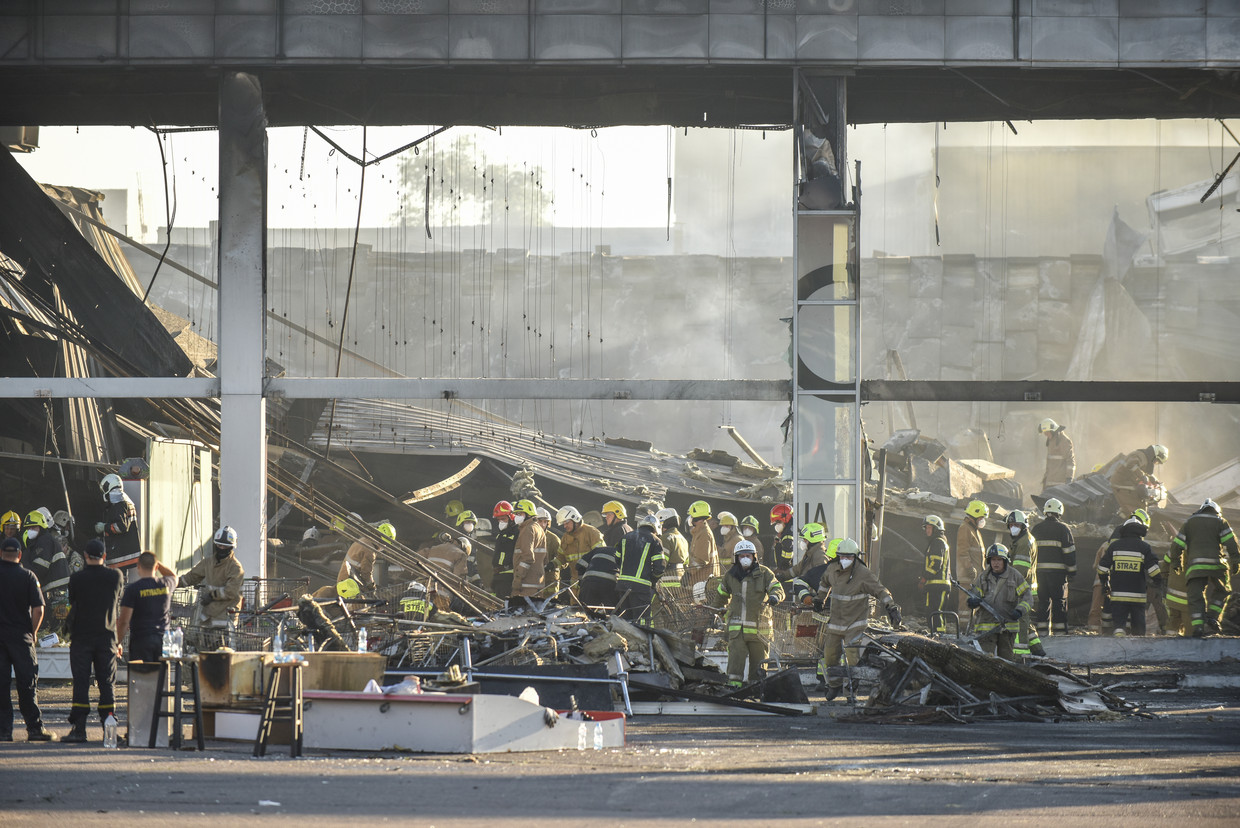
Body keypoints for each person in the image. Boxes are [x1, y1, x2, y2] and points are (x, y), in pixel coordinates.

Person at [814, 539, 899, 701]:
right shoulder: (832, 569)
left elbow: (881, 591)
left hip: (855, 624)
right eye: (842, 556)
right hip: (836, 623)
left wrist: (891, 607)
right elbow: (824, 583)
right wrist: (820, 599)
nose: (845, 560)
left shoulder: (863, 574)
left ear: (856, 557)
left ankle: (850, 693)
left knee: (853, 660)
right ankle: (834, 685)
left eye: (849, 557)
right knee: (830, 657)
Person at [62, 539, 124, 743]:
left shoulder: (77, 579)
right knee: (107, 682)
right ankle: (109, 729)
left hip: (81, 638)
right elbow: (116, 604)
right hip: (107, 638)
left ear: (86, 556)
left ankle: (79, 730)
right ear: (104, 556)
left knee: (81, 682)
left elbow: (74, 602)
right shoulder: (116, 576)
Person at [0, 536, 55, 741]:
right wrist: (32, 632)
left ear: (1, 554)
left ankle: (4, 731)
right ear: (20, 555)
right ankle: (34, 729)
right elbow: (39, 610)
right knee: (27, 684)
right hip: (21, 639)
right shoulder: (28, 576)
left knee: (1, 686)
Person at [710, 539, 784, 688]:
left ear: (754, 557)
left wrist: (775, 597)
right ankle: (734, 687)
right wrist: (712, 612)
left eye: (748, 556)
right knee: (735, 661)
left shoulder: (764, 573)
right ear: (736, 558)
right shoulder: (730, 575)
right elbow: (721, 596)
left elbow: (777, 588)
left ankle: (757, 688)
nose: (745, 559)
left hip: (759, 630)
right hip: (737, 630)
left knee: (759, 663)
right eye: (742, 555)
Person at [1169, 498, 1238, 638]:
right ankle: (1212, 617)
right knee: (1223, 590)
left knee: (1196, 597)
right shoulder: (1220, 521)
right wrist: (1236, 560)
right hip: (1217, 566)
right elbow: (1231, 543)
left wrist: (1176, 561)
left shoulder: (1189, 522)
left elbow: (1177, 544)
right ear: (1216, 511)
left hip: (1195, 567)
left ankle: (1198, 628)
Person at [966, 544, 1032, 662]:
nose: (996, 563)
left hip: (1007, 628)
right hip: (987, 627)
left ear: (1005, 561)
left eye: (999, 560)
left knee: (1006, 661)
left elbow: (1027, 597)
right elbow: (974, 594)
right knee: (985, 660)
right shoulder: (983, 577)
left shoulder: (1015, 576)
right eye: (993, 559)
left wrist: (1019, 610)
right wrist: (971, 602)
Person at [1097, 516, 1161, 637]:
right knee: (1139, 629)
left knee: (1119, 626)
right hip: (1138, 596)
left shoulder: (1115, 546)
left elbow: (1102, 568)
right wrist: (1157, 582)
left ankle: (1119, 646)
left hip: (1118, 596)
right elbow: (1153, 570)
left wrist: (1105, 582)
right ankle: (1137, 649)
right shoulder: (1144, 547)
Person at [181, 526, 245, 648]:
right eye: (219, 545)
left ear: (232, 547)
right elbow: (191, 577)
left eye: (225, 546)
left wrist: (211, 596)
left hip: (225, 617)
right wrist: (172, 583)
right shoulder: (208, 562)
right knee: (204, 651)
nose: (221, 549)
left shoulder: (235, 568)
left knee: (222, 653)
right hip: (209, 615)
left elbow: (231, 591)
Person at [116, 551, 179, 663]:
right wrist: (156, 562)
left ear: (138, 566)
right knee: (162, 676)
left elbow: (124, 621)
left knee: (142, 677)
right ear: (156, 567)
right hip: (164, 640)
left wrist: (117, 643)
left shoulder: (133, 589)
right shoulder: (166, 584)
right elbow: (173, 576)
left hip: (141, 640)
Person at [1031, 497, 1076, 636]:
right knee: (1059, 603)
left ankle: (1043, 634)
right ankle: (1060, 634)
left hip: (1039, 574)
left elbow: (1031, 552)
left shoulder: (1036, 529)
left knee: (1043, 603)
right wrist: (1072, 572)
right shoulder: (1064, 529)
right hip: (1058, 575)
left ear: (1045, 512)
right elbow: (1069, 553)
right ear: (1059, 512)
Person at [1005, 510, 1045, 658]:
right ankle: (1038, 650)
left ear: (1023, 526)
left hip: (1021, 589)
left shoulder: (1023, 543)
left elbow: (1020, 571)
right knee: (1026, 621)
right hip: (1027, 588)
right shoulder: (1023, 539)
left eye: (1016, 525)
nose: (1012, 528)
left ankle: (1020, 654)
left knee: (1020, 622)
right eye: (1010, 525)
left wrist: (1007, 586)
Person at [614, 513, 666, 623]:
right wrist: (652, 580)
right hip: (641, 588)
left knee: (626, 621)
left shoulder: (625, 537)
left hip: (622, 586)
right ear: (656, 528)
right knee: (641, 621)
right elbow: (659, 567)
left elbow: (617, 559)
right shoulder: (655, 540)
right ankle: (642, 640)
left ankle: (625, 639)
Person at [96, 473, 141, 572]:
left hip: (119, 554)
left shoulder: (119, 503)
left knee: (118, 582)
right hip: (124, 554)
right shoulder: (126, 501)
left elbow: (121, 527)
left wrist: (104, 527)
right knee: (122, 580)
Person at [1110, 444, 1168, 519]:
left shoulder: (1145, 458)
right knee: (1137, 509)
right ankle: (1116, 523)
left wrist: (1153, 480)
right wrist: (1142, 476)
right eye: (1156, 461)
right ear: (1155, 455)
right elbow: (1131, 464)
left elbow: (1143, 472)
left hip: (1128, 484)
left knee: (1142, 507)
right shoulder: (1139, 455)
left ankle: (1123, 519)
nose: (1155, 463)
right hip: (1121, 483)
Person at [555, 506, 604, 590]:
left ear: (575, 519)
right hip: (575, 585)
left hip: (590, 582)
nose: (565, 526)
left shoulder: (592, 533)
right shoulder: (565, 538)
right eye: (564, 524)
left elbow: (601, 556)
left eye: (567, 522)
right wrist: (552, 564)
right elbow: (561, 558)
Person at [509, 499, 547, 605]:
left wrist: (518, 578)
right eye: (516, 513)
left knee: (519, 613)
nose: (517, 516)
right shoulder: (539, 529)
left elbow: (528, 557)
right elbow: (545, 558)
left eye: (519, 513)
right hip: (537, 582)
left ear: (528, 514)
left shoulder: (527, 529)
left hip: (526, 584)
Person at [956, 500, 989, 615]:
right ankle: (964, 630)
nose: (982, 520)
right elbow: (962, 552)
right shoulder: (965, 528)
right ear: (974, 516)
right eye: (981, 518)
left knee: (973, 606)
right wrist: (969, 568)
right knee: (965, 606)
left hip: (975, 578)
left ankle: (971, 629)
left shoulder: (974, 531)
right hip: (967, 577)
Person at [921, 515, 951, 634]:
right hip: (935, 585)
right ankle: (935, 633)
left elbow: (935, 565)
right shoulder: (937, 542)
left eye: (930, 528)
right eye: (926, 528)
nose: (927, 530)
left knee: (936, 612)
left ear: (936, 529)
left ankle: (939, 636)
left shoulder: (937, 542)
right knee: (933, 611)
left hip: (938, 584)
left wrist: (924, 578)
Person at [685, 500, 719, 591]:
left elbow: (701, 559)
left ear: (696, 518)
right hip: (701, 579)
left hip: (702, 581)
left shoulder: (704, 534)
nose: (690, 518)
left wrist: (688, 573)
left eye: (692, 516)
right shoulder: (699, 532)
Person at [490, 501, 519, 600]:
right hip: (499, 576)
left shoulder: (517, 532)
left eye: (503, 519)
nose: (501, 522)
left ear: (511, 517)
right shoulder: (501, 534)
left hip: (510, 576)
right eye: (499, 520)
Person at [1037, 418, 1076, 491]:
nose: (1045, 435)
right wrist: (1045, 478)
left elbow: (1070, 461)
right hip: (1050, 483)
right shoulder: (1051, 441)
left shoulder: (1064, 441)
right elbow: (1051, 463)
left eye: (1047, 432)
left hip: (1061, 484)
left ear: (1053, 430)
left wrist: (1069, 478)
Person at [655, 507, 688, 586]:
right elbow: (686, 563)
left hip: (667, 582)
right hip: (680, 580)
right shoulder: (683, 539)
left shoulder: (665, 538)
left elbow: (662, 563)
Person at [536, 507, 562, 599]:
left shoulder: (554, 539)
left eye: (545, 521)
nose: (543, 524)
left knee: (550, 606)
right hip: (534, 579)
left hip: (550, 580)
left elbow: (563, 559)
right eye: (540, 521)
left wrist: (552, 564)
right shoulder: (529, 536)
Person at [768, 503, 796, 591]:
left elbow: (787, 552)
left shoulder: (788, 535)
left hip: (788, 578)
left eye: (778, 522)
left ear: (785, 519)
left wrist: (781, 568)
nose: (776, 525)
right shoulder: (788, 531)